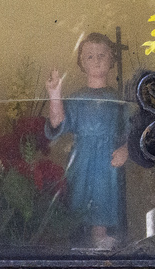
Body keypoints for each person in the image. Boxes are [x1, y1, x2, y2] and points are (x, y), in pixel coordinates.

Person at [46, 32, 129, 249]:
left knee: (104, 196)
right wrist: (55, 95)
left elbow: (133, 129)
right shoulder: (76, 98)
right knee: (78, 198)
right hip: (81, 158)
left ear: (112, 60)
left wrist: (126, 149)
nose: (96, 60)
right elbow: (58, 123)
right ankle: (80, 243)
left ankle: (100, 243)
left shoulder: (119, 99)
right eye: (90, 56)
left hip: (107, 159)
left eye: (102, 55)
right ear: (81, 62)